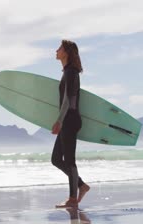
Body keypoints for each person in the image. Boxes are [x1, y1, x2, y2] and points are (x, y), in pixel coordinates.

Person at [51, 39, 90, 208]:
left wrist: (59, 120)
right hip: (68, 119)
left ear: (66, 52)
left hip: (70, 119)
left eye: (59, 48)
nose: (56, 51)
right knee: (56, 159)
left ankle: (73, 198)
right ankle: (81, 186)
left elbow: (69, 100)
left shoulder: (71, 72)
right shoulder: (68, 71)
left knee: (69, 160)